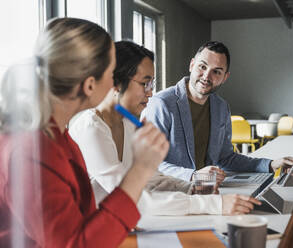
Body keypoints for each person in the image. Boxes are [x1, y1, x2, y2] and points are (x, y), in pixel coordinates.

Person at [0, 18, 168, 247]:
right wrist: (141, 169)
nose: (114, 84)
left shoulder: (59, 137)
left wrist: (111, 220)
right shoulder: (32, 151)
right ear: (89, 85)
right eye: (111, 74)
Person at [69, 40, 262, 216]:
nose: (151, 92)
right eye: (145, 83)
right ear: (116, 82)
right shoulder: (90, 128)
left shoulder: (127, 122)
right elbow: (129, 197)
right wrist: (213, 204)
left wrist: (190, 188)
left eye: (152, 83)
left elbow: (147, 175)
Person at [142, 41, 293, 182]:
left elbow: (226, 158)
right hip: (170, 192)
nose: (206, 76)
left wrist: (270, 165)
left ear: (225, 77)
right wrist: (193, 176)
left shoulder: (221, 107)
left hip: (207, 189)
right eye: (202, 67)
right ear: (192, 65)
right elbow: (148, 163)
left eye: (216, 72)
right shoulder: (161, 104)